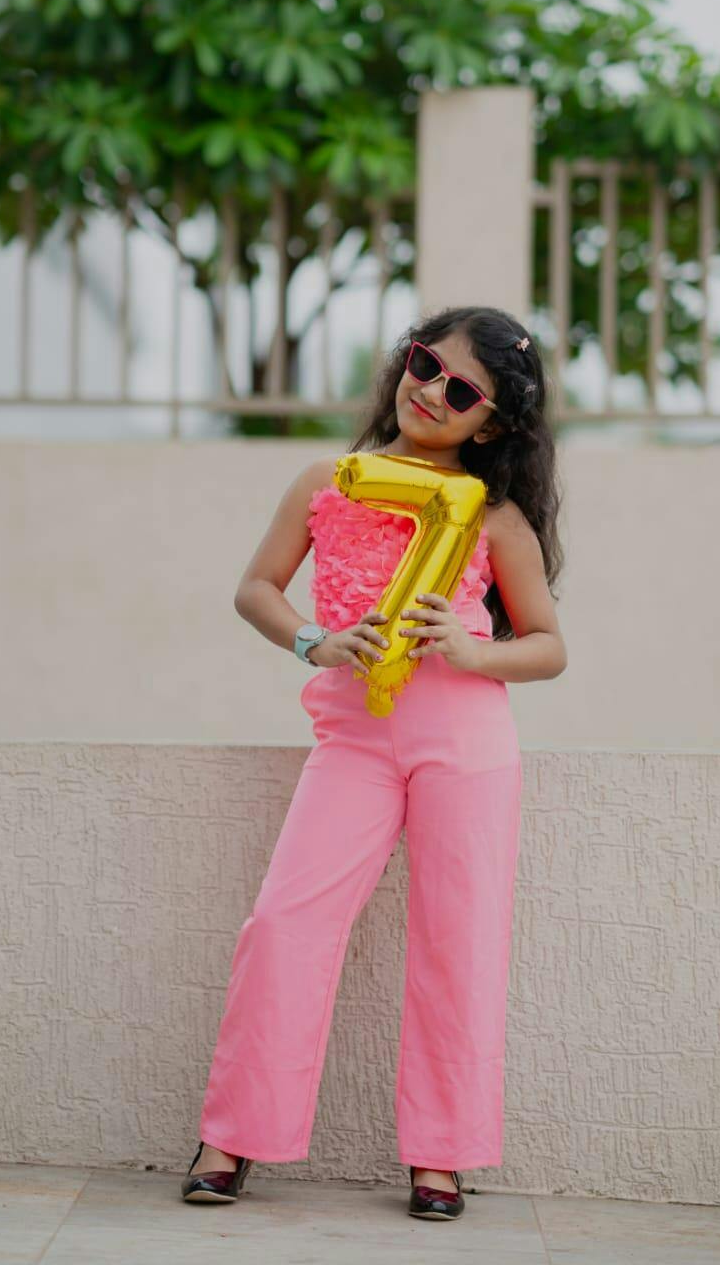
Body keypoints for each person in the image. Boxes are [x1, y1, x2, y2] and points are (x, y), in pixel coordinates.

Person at [182, 305, 567, 1221]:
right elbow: (256, 588)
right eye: (426, 364)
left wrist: (472, 650)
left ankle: (442, 1157)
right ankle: (231, 1134)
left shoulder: (495, 516)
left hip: (465, 743)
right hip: (353, 739)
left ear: (492, 425)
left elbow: (549, 646)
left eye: (462, 391)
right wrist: (313, 642)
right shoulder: (330, 480)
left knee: (458, 944)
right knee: (285, 924)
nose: (431, 392)